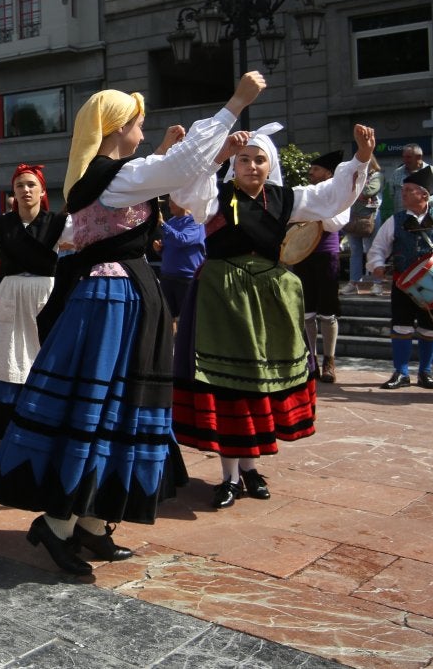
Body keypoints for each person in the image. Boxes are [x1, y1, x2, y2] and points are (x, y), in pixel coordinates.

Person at [0, 75, 266, 575]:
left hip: (122, 298)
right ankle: (56, 525)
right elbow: (175, 168)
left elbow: (193, 198)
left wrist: (217, 155)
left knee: (117, 409)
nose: (143, 131)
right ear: (119, 128)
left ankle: (93, 523)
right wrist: (235, 103)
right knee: (101, 407)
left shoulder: (108, 174)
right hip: (112, 301)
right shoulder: (111, 176)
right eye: (138, 124)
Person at [174, 120, 374, 513]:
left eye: (259, 160)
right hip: (222, 298)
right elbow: (187, 193)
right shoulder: (216, 194)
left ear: (271, 165)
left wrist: (361, 159)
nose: (251, 166)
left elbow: (332, 197)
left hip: (267, 301)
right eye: (244, 160)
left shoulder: (286, 198)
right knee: (226, 385)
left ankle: (250, 469)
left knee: (257, 383)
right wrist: (219, 155)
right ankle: (229, 475)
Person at [0, 163, 69, 439]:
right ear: (14, 192)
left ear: (42, 190)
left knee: (43, 353)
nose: (25, 190)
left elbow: (89, 235)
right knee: (8, 353)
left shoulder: (58, 223)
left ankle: (43, 422)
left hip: (44, 296)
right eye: (20, 185)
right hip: (10, 295)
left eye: (31, 184)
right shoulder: (0, 224)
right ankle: (4, 425)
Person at [367, 166, 433, 391]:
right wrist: (376, 265)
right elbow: (378, 247)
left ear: (424, 195)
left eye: (408, 190)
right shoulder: (394, 220)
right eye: (402, 190)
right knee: (401, 326)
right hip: (403, 284)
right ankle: (401, 373)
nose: (403, 194)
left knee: (430, 329)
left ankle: (425, 372)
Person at [289, 150, 350, 385]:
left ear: (327, 172)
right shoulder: (308, 193)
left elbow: (335, 222)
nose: (310, 173)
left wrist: (315, 211)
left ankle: (330, 360)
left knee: (328, 310)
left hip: (326, 254)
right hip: (303, 253)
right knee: (307, 310)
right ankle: (311, 358)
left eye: (315, 169)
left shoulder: (340, 194)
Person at [341, 157, 383, 295]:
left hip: (370, 218)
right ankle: (353, 282)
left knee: (373, 250)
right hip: (353, 218)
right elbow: (345, 192)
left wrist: (355, 187)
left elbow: (368, 192)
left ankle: (377, 283)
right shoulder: (354, 176)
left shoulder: (377, 176)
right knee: (355, 251)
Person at [157, 196, 205, 317]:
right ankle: (172, 336)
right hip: (167, 277)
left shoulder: (195, 222)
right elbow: (171, 247)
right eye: (169, 202)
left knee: (187, 317)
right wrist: (160, 249)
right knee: (168, 317)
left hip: (187, 280)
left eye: (173, 202)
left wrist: (162, 224)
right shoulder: (171, 222)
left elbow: (183, 240)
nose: (169, 205)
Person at [387, 143, 433, 211]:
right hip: (402, 217)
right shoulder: (397, 173)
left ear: (419, 157)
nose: (405, 160)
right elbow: (392, 194)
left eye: (408, 157)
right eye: (404, 157)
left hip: (427, 218)